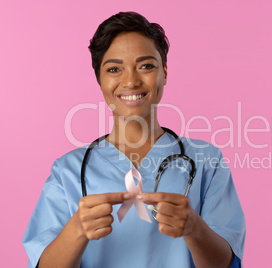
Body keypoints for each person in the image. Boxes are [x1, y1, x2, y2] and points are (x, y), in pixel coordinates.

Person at [23, 11, 245, 268]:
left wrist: (193, 228)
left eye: (146, 66)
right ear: (100, 80)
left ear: (164, 72)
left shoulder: (206, 160)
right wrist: (77, 231)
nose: (130, 80)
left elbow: (227, 263)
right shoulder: (67, 171)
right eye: (114, 69)